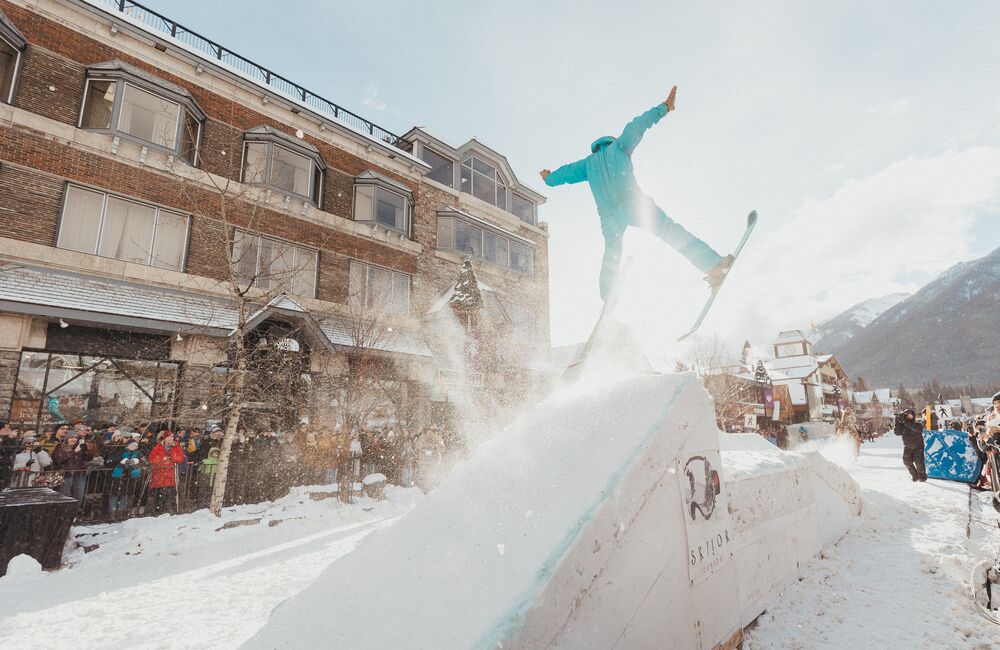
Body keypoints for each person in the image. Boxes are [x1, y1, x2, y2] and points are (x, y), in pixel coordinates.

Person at [540, 86, 731, 302]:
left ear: (595, 148)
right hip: (634, 204)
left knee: (611, 255)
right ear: (609, 141)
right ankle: (714, 265)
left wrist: (549, 178)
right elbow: (638, 125)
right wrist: (664, 108)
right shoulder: (620, 146)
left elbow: (564, 173)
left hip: (610, 217)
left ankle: (607, 300)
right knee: (670, 232)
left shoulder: (586, 165)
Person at [148, 431, 184, 514]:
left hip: (169, 474)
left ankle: (164, 511)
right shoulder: (157, 447)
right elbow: (152, 459)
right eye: (169, 437)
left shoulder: (176, 447)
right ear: (165, 438)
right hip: (158, 474)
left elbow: (180, 458)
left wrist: (172, 457)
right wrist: (162, 460)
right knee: (158, 494)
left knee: (166, 493)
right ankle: (157, 511)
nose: (171, 439)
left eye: (172, 437)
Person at [52, 432, 92, 505]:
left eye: (75, 438)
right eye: (71, 438)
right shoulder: (60, 447)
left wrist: (86, 451)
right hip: (66, 474)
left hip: (80, 474)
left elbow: (88, 458)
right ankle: (63, 511)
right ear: (67, 439)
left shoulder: (80, 447)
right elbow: (60, 459)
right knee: (64, 494)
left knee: (79, 494)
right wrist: (73, 452)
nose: (73, 440)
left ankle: (75, 511)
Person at [108, 440, 142, 518]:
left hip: (130, 476)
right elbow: (111, 461)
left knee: (125, 493)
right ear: (128, 445)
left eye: (136, 446)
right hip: (118, 474)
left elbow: (144, 461)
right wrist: (120, 462)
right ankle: (112, 511)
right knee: (114, 492)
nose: (135, 447)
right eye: (133, 445)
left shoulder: (137, 453)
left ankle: (121, 511)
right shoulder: (120, 452)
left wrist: (137, 461)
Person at [894, 409, 927, 482]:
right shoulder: (904, 425)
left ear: (913, 415)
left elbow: (918, 430)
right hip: (908, 447)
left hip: (918, 447)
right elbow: (897, 432)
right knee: (906, 462)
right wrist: (897, 422)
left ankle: (922, 478)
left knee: (919, 462)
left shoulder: (917, 424)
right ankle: (915, 476)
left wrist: (905, 422)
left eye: (910, 414)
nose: (909, 416)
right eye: (907, 414)